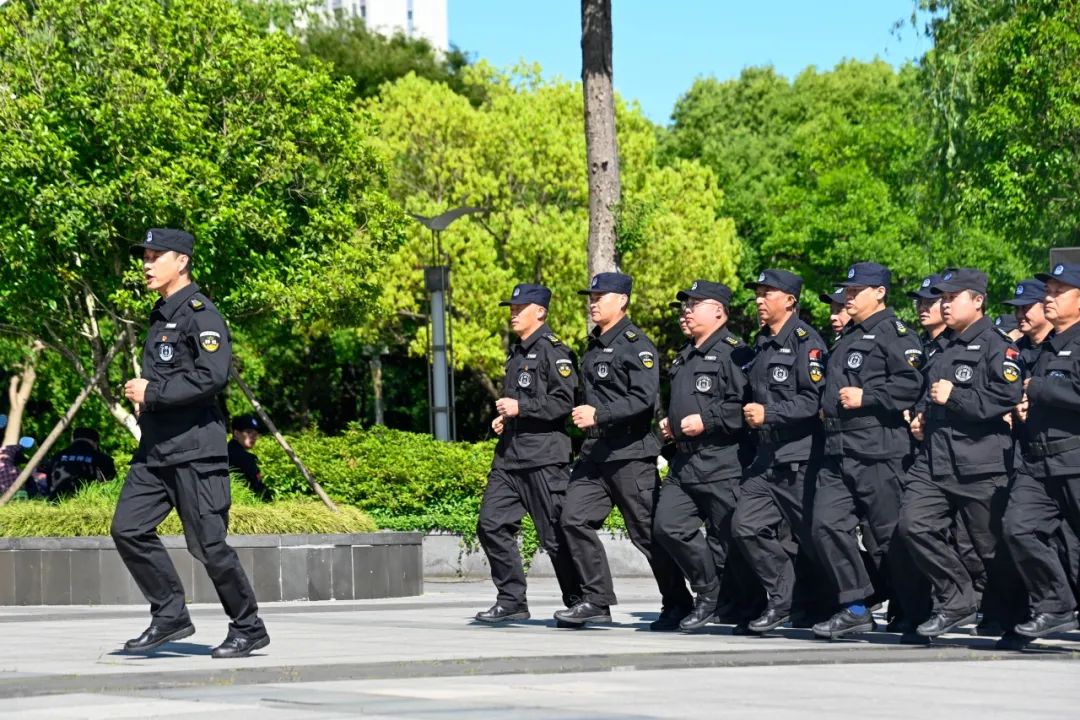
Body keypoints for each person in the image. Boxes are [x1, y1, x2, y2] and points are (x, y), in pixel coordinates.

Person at [111, 228, 268, 659]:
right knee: (127, 529)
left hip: (195, 450)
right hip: (156, 450)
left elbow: (211, 376)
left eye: (155, 256)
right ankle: (170, 615)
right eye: (145, 256)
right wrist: (148, 401)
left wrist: (153, 392)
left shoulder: (202, 314)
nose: (146, 265)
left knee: (208, 545)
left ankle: (249, 627)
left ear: (181, 261)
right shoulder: (162, 314)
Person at [556, 272, 693, 629]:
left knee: (645, 534)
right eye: (591, 297)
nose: (593, 303)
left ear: (622, 301)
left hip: (630, 454)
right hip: (596, 454)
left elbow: (643, 399)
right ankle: (596, 601)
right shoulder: (593, 345)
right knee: (572, 519)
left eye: (600, 297)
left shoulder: (637, 345)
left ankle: (678, 603)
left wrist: (599, 414)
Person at [898, 268, 1023, 640]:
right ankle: (956, 600)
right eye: (943, 298)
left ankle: (1012, 615)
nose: (945, 305)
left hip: (979, 461)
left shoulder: (997, 345)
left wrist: (955, 397)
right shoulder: (942, 345)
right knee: (913, 525)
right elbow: (930, 392)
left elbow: (1006, 396)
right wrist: (922, 416)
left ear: (978, 300)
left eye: (953, 298)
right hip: (935, 459)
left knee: (990, 547)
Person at [809, 263, 926, 639]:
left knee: (889, 537)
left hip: (878, 450)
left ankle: (915, 610)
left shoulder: (895, 334)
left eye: (855, 291)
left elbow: (912, 385)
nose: (848, 297)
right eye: (846, 290)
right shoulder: (848, 336)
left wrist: (868, 397)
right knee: (824, 524)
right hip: (838, 451)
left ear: (879, 292)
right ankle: (857, 606)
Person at [474, 283, 582, 624]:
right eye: (512, 307)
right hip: (509, 458)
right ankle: (511, 600)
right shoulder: (516, 353)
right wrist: (507, 419)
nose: (513, 313)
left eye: (520, 308)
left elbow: (564, 403)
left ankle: (579, 600)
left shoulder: (555, 352)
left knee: (553, 535)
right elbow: (520, 403)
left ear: (541, 312)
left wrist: (521, 408)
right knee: (490, 524)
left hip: (544, 457)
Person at [732, 268, 829, 634]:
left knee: (816, 537)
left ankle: (859, 592)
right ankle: (782, 599)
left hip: (799, 457)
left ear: (789, 300)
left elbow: (813, 401)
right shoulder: (761, 343)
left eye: (767, 293)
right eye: (758, 293)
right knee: (745, 526)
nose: (759, 300)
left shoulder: (807, 342)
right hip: (766, 458)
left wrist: (769, 413)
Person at [652, 281, 752, 631]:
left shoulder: (735, 353)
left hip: (721, 460)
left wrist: (706, 421)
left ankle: (739, 604)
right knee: (667, 525)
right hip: (685, 462)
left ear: (719, 311)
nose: (687, 311)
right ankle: (709, 593)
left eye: (695, 304)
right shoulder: (685, 353)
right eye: (686, 305)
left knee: (729, 541)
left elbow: (744, 408)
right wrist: (671, 423)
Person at [1003, 263, 1080, 641]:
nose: (1049, 298)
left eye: (1058, 292)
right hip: (1038, 462)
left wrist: (1038, 390)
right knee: (1018, 528)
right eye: (1048, 291)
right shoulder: (1043, 346)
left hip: (1075, 459)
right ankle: (1055, 606)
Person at [36, 427, 116, 501]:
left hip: (56, 502)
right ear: (96, 443)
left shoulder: (57, 457)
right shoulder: (104, 459)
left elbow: (49, 483)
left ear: (72, 440)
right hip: (90, 503)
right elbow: (110, 484)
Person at [228, 415, 271, 501]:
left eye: (255, 433)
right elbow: (259, 490)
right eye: (248, 432)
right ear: (236, 433)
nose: (253, 436)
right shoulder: (245, 458)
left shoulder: (226, 450)